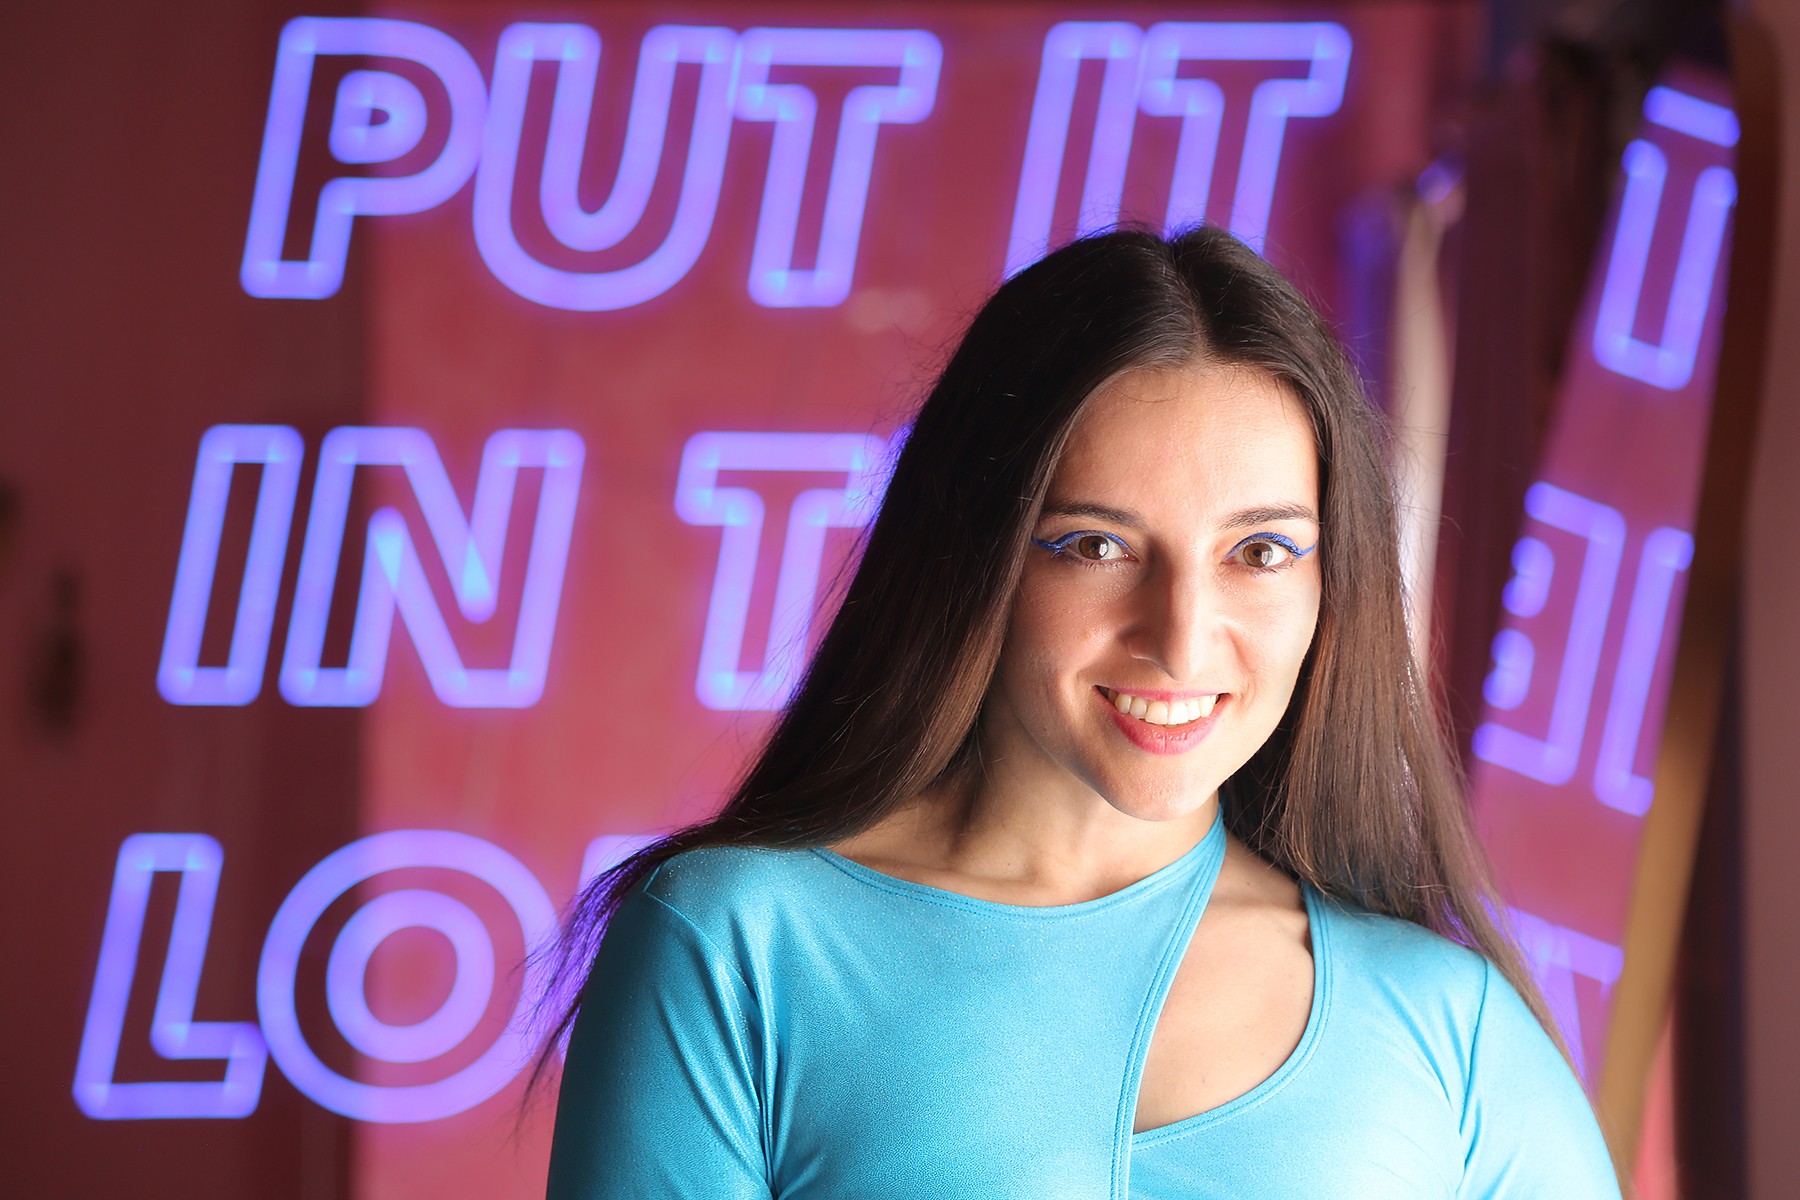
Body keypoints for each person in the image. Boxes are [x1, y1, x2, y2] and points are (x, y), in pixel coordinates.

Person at [539, 227, 1621, 1197]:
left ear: (1333, 584)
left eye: (1260, 552)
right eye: (1096, 545)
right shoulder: (737, 947)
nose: (1181, 639)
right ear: (977, 559)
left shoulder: (1449, 1028)